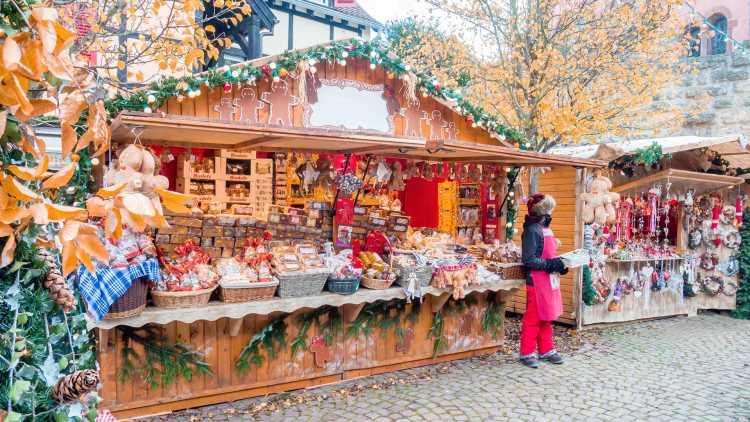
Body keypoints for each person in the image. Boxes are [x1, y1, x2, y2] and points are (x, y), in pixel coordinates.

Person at [520, 193, 567, 368]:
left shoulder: (544, 228)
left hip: (548, 279)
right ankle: (527, 352)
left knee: (547, 316)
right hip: (536, 280)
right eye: (548, 209)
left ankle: (546, 349)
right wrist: (552, 264)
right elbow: (529, 259)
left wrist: (559, 265)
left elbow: (549, 254)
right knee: (533, 318)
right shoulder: (532, 230)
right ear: (542, 210)